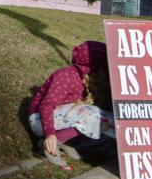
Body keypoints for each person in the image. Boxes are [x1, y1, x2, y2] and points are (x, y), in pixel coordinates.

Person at [27, 41, 111, 169]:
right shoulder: (66, 75)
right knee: (91, 114)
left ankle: (64, 141)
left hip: (62, 117)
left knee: (105, 116)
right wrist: (50, 133)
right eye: (104, 67)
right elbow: (46, 105)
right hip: (39, 120)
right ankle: (51, 143)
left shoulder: (91, 80)